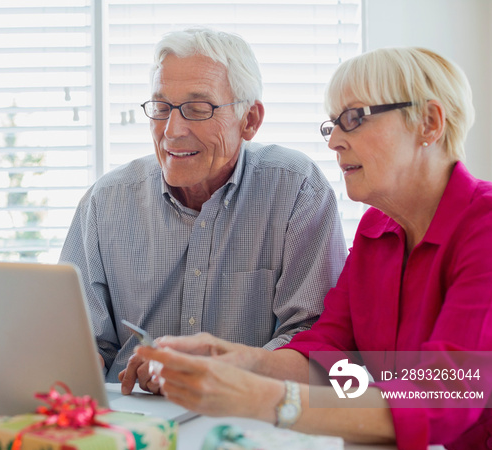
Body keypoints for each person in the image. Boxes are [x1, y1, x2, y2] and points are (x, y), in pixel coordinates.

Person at [135, 46, 492, 450]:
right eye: (333, 124)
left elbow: (446, 401)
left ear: (429, 123)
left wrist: (267, 397)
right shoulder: (375, 231)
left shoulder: (491, 225)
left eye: (354, 119)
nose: (335, 142)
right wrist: (234, 359)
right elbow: (330, 357)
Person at [59, 27, 347, 388]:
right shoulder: (105, 202)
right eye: (162, 108)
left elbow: (314, 337)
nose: (172, 130)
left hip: (248, 410)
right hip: (130, 412)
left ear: (250, 121)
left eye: (197, 109)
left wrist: (222, 371)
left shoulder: (296, 189)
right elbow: (79, 342)